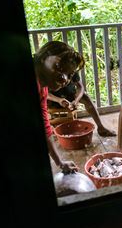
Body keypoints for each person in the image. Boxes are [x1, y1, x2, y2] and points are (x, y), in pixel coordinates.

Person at [33, 41, 84, 172]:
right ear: (43, 58)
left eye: (69, 74)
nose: (64, 78)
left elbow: (45, 126)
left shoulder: (43, 90)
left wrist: (60, 163)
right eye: (59, 67)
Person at [46, 47, 116, 137]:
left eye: (72, 72)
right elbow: (45, 94)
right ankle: (55, 131)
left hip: (69, 95)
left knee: (86, 97)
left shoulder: (72, 70)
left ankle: (101, 127)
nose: (70, 74)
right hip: (54, 99)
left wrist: (76, 100)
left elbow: (80, 87)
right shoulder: (52, 71)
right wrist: (59, 100)